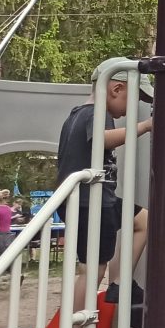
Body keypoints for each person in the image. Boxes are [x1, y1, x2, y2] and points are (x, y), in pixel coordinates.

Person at [57, 74, 152, 311]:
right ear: (116, 89)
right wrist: (145, 126)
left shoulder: (78, 114)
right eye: (133, 98)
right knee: (93, 269)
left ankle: (119, 283)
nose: (132, 108)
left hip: (98, 199)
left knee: (143, 221)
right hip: (90, 202)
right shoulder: (96, 113)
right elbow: (103, 140)